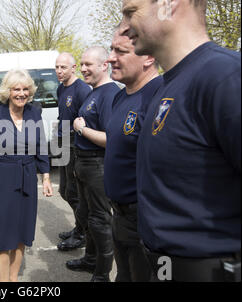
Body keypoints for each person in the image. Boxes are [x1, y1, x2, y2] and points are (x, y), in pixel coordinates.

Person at [121, 0, 241, 281]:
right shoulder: (168, 85)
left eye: (131, 12)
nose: (125, 28)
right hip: (164, 266)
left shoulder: (224, 76)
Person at [0, 69, 54, 282]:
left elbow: (41, 146)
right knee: (0, 233)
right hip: (0, 178)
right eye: (16, 89)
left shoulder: (34, 113)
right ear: (7, 92)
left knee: (22, 230)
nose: (21, 93)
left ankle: (13, 279)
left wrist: (45, 176)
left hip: (27, 176)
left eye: (25, 89)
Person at [104, 28, 162, 282]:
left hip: (145, 221)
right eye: (111, 49)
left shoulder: (160, 97)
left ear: (148, 56)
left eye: (121, 51)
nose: (110, 58)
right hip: (119, 215)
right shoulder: (119, 97)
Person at [71, 47, 121, 282]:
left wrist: (82, 129)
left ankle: (102, 274)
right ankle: (90, 260)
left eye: (88, 64)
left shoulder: (109, 94)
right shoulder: (94, 92)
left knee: (100, 220)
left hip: (97, 165)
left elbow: (110, 139)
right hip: (84, 164)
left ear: (104, 65)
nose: (83, 69)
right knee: (87, 215)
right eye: (81, 64)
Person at [55, 52, 92, 251]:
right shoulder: (61, 89)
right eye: (57, 67)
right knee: (64, 191)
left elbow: (85, 121)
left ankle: (83, 234)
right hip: (61, 141)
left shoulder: (82, 89)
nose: (59, 71)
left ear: (73, 68)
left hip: (75, 144)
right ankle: (80, 227)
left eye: (63, 67)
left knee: (74, 193)